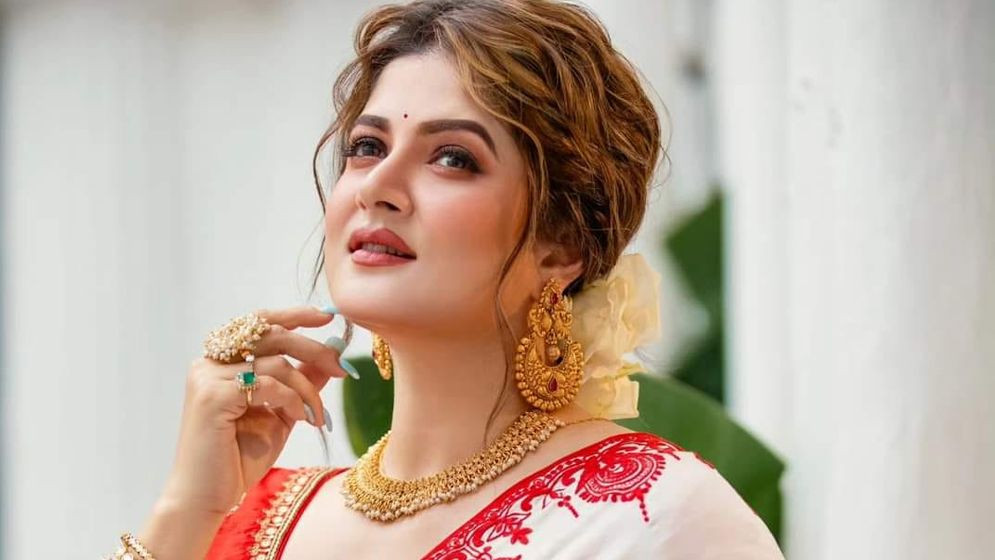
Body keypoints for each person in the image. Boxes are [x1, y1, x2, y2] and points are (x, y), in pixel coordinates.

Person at [105, 1, 785, 558]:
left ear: (561, 246)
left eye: (453, 158)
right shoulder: (254, 522)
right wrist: (186, 510)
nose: (377, 186)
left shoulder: (651, 518)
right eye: (367, 147)